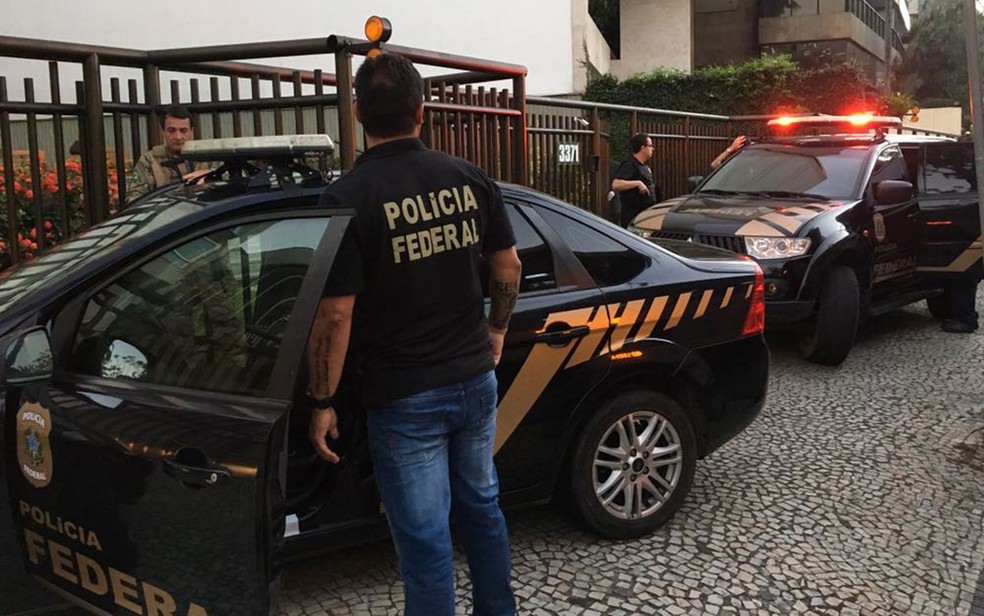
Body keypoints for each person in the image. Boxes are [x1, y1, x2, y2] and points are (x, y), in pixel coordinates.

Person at [307, 52, 522, 616]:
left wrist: (323, 400)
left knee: (425, 539)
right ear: (421, 110)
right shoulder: (469, 178)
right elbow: (508, 267)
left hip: (404, 397)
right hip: (475, 378)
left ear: (356, 111)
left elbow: (334, 317)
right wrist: (495, 332)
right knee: (482, 507)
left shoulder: (347, 199)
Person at [126, 104, 212, 204]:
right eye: (171, 131)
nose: (178, 137)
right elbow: (134, 198)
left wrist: (210, 174)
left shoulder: (209, 156)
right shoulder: (150, 160)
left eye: (183, 131)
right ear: (163, 132)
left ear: (191, 131)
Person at [611, 133, 658, 227]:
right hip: (633, 216)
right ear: (642, 148)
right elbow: (616, 184)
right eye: (650, 146)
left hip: (645, 213)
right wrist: (638, 183)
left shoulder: (644, 166)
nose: (652, 149)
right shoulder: (630, 165)